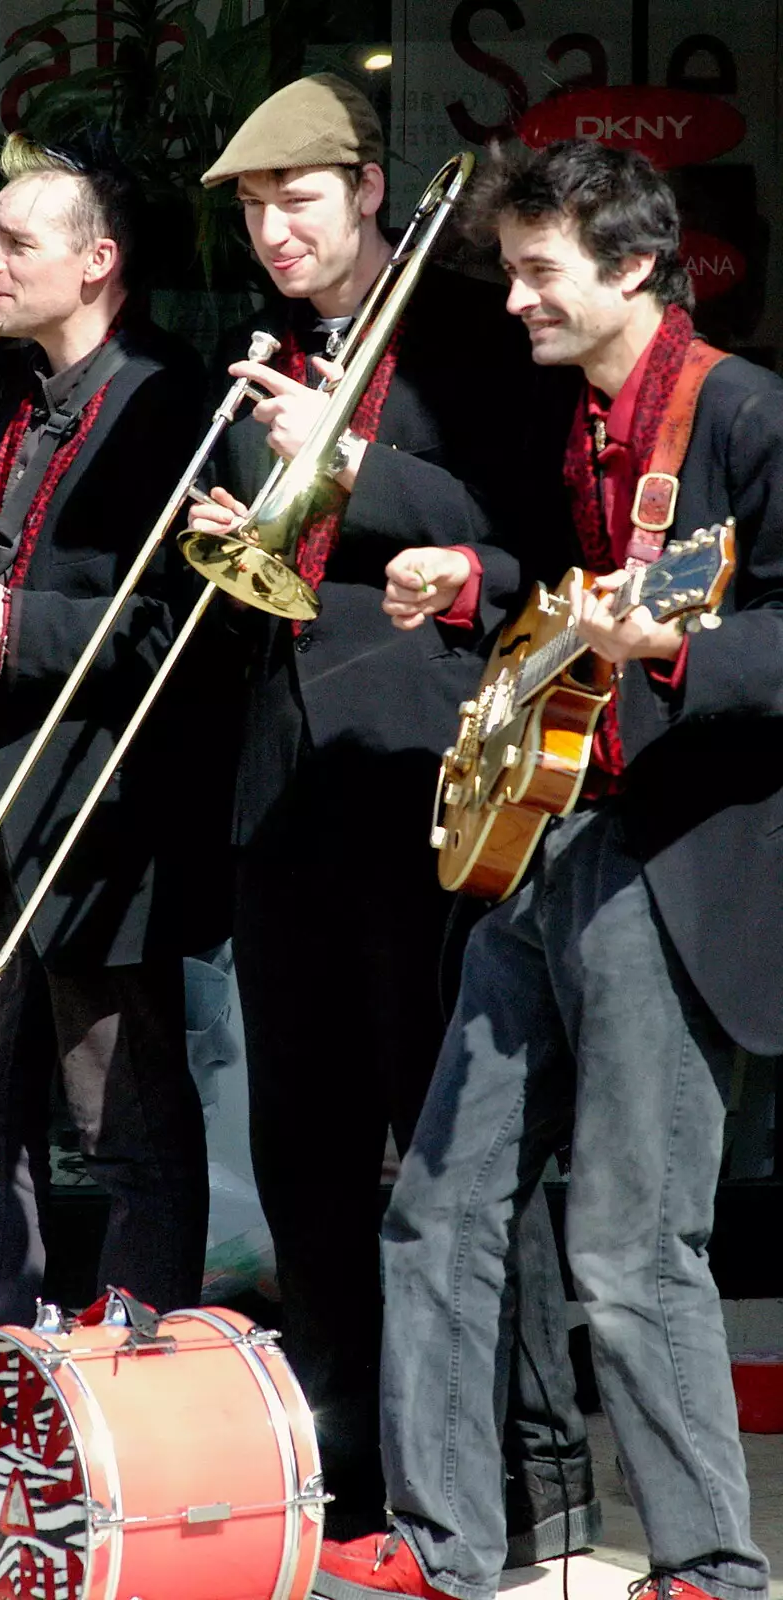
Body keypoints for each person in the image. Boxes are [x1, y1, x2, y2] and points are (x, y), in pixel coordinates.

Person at [317, 139, 780, 1600]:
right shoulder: (575, 417)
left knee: (633, 1242)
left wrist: (687, 648)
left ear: (634, 268)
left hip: (674, 857)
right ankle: (448, 1546)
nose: (514, 301)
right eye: (512, 270)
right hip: (553, 833)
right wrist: (474, 585)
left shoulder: (745, 413)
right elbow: (561, 591)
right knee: (440, 1202)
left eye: (538, 272)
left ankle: (711, 1564)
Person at [189, 75, 597, 1553]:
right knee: (304, 1147)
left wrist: (340, 463)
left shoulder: (469, 339)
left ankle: (533, 1474)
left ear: (369, 189)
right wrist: (247, 533)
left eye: (297, 198)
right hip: (287, 794)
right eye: (249, 207)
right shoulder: (276, 361)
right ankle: (354, 1464)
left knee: (460, 1153)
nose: (274, 228)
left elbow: (522, 533)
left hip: (427, 792)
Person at [0, 133, 213, 1371]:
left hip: (99, 826)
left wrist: (12, 622)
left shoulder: (171, 405)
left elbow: (195, 630)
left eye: (13, 243)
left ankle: (138, 1397)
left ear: (98, 264)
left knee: (126, 1127)